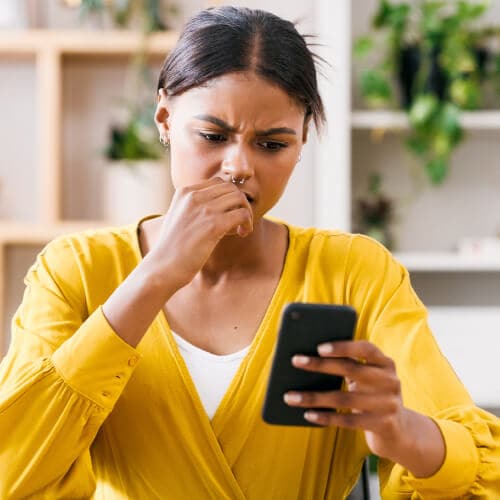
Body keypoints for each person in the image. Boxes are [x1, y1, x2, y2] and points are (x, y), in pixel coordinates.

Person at [0, 6, 499, 499]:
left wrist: (401, 431)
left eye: (272, 144)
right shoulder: (75, 271)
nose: (238, 166)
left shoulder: (356, 272)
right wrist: (152, 279)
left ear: (303, 139)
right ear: (165, 119)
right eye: (213, 136)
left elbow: (482, 470)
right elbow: (13, 468)